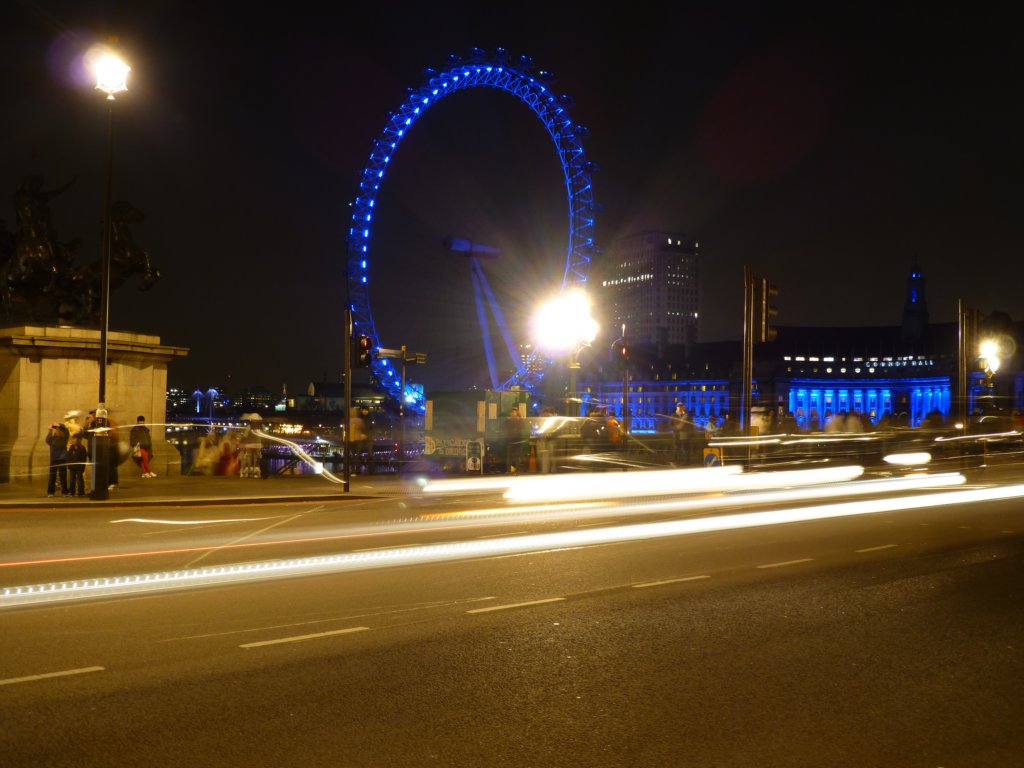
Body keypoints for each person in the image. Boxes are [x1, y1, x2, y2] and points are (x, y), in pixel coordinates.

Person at [44, 418, 70, 497]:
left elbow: (47, 440)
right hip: (62, 458)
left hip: (54, 458)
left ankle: (50, 492)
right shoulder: (64, 438)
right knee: (63, 476)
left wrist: (50, 430)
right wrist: (60, 426)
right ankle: (64, 492)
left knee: (52, 476)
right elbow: (66, 430)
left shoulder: (53, 439)